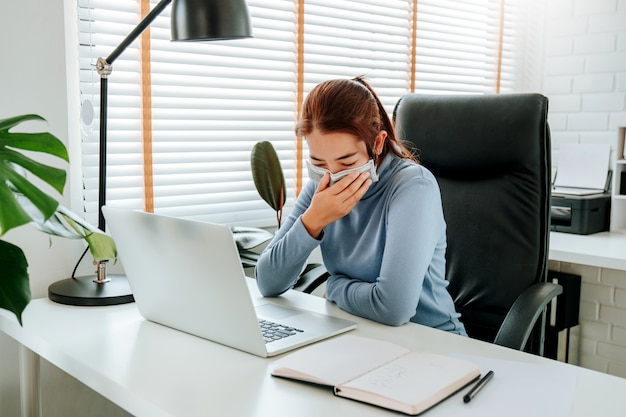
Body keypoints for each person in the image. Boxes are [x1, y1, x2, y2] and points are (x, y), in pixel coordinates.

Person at [255, 76, 466, 335]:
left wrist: (334, 287)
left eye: (346, 162)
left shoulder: (413, 186)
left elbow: (393, 308)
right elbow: (267, 282)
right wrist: (312, 221)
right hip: (357, 335)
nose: (332, 176)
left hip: (430, 341)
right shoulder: (320, 186)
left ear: (377, 143)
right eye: (319, 163)